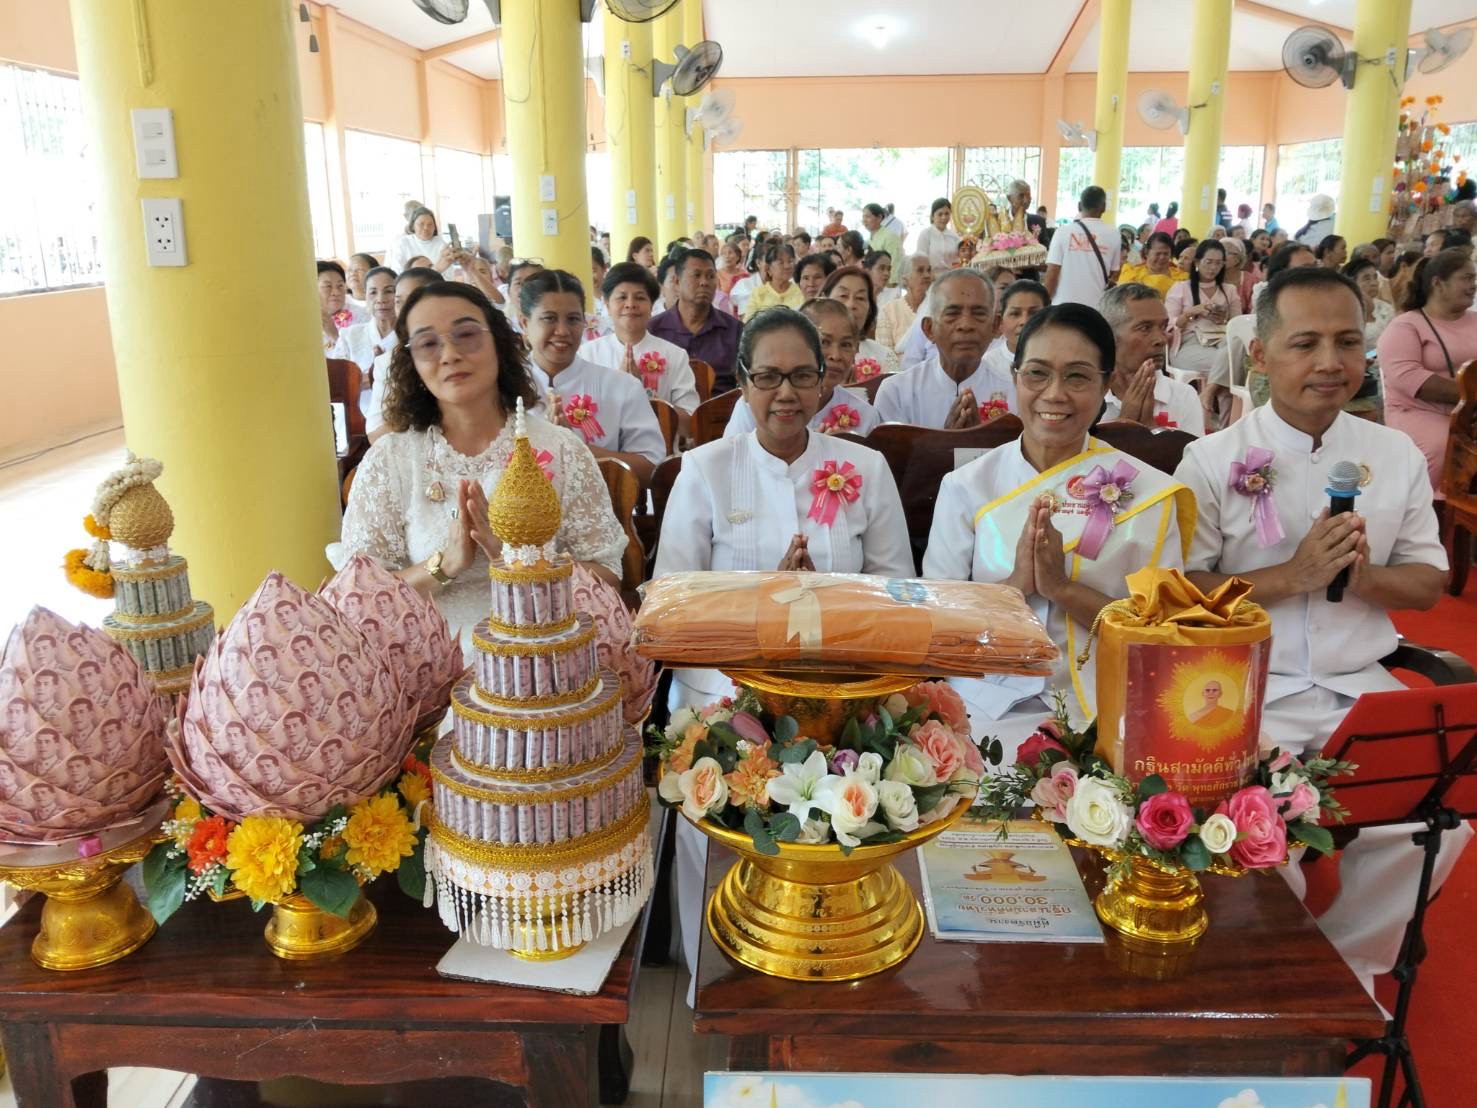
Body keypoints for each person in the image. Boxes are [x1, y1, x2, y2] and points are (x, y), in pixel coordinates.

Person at [1175, 265, 1460, 994]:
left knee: (1439, 825)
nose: (1330, 363)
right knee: (1250, 831)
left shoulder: (1392, 454)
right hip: (1243, 691)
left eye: (1345, 342)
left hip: (1355, 684)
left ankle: (1344, 965)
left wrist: (1363, 579)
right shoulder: (1210, 460)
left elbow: (1426, 580)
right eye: (1304, 343)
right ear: (1262, 355)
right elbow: (1183, 592)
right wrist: (1289, 579)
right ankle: (1261, 968)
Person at [656, 305, 912, 995]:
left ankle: (833, 963)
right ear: (741, 382)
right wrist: (767, 603)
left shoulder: (864, 467)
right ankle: (713, 981)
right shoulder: (705, 471)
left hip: (842, 686)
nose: (786, 394)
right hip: (723, 689)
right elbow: (671, 605)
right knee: (707, 805)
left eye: (802, 375)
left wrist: (823, 605)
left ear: (826, 381)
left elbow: (897, 598)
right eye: (767, 376)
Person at [923, 302, 1192, 758]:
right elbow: (936, 628)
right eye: (1037, 374)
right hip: (983, 703)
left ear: (1106, 386)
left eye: (1078, 377)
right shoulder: (967, 486)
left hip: (1109, 703)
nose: (1054, 394)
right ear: (1014, 377)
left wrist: (1063, 589)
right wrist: (1015, 589)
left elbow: (1160, 640)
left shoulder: (1147, 492)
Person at [333, 281, 625, 640]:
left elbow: (607, 575)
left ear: (499, 344)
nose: (450, 354)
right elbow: (363, 599)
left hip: (544, 655)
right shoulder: (391, 460)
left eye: (466, 335)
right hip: (429, 660)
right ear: (413, 363)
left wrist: (514, 560)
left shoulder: (560, 449)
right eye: (428, 344)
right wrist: (445, 565)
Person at [519, 270, 665, 486]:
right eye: (549, 318)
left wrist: (578, 448)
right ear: (524, 323)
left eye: (573, 319)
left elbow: (651, 468)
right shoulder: (501, 386)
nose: (562, 330)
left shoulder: (621, 387)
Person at [1377, 249, 1477, 495]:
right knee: (1442, 449)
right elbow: (1407, 377)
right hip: (1419, 411)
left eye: (1474, 279)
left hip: (1471, 410)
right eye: (1466, 278)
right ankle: (1430, 515)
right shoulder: (1406, 325)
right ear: (1438, 283)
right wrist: (1470, 397)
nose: (1473, 285)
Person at [724, 298, 881, 438]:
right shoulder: (754, 404)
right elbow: (734, 461)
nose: (835, 355)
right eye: (824, 342)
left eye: (846, 345)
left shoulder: (865, 414)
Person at [874, 269, 1004, 428]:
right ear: (929, 329)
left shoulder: (1015, 391)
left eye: (978, 314)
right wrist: (942, 441)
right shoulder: (896, 393)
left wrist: (980, 439)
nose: (966, 325)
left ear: (995, 327)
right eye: (952, 314)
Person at [584, 262, 700, 439]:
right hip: (603, 455)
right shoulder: (587, 354)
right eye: (622, 297)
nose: (630, 304)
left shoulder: (674, 355)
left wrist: (645, 398)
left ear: (652, 306)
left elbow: (690, 426)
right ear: (607, 304)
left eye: (640, 298)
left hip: (663, 456)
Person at [1098, 283, 1206, 434]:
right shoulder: (1089, 399)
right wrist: (1123, 427)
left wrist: (1151, 432)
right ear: (1109, 336)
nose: (1161, 339)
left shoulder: (1183, 397)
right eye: (1145, 328)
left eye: (1163, 327)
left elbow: (1191, 457)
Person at [649, 248, 743, 392]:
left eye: (710, 276)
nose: (704, 282)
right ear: (677, 282)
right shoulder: (653, 330)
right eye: (696, 275)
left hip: (722, 412)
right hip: (669, 412)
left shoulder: (735, 330)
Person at [367, 267, 444, 442]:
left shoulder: (461, 353)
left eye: (414, 300)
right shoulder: (387, 363)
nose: (404, 310)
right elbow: (374, 435)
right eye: (399, 301)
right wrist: (415, 407)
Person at [1166, 239, 1243, 398]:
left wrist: (1224, 318)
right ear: (1197, 262)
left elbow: (1238, 327)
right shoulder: (1181, 288)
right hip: (1187, 344)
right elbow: (1167, 324)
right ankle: (1213, 401)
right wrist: (1190, 313)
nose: (1213, 267)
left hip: (1220, 340)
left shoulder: (1229, 290)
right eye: (1209, 262)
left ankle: (1209, 393)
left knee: (1234, 349)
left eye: (1218, 263)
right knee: (1232, 365)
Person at [977, 279, 1050, 417]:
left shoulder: (1060, 360)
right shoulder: (987, 364)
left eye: (1034, 313)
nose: (1024, 321)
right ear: (1000, 322)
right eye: (1015, 314)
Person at [1044, 186, 1121, 307]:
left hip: (1062, 307)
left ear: (1079, 206)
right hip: (1096, 308)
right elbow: (1115, 272)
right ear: (1104, 207)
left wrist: (1044, 305)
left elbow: (1052, 274)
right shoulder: (1114, 234)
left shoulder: (1062, 232)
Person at [822, 265, 898, 374]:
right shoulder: (807, 350)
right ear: (824, 299)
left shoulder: (883, 356)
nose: (851, 304)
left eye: (860, 298)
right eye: (843, 296)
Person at [332, 265, 398, 373]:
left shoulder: (409, 336)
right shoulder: (349, 336)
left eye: (389, 291)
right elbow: (337, 380)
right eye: (373, 292)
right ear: (365, 296)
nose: (381, 299)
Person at [876, 254, 932, 352]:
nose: (927, 275)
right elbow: (885, 355)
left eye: (929, 270)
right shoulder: (889, 311)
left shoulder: (937, 307)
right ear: (905, 277)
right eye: (920, 270)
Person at [1343, 256, 1395, 350]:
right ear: (1352, 283)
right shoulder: (1343, 311)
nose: (1374, 283)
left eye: (1375, 277)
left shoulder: (1385, 308)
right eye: (1367, 279)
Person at [743, 242, 805, 320]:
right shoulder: (758, 293)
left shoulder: (801, 291)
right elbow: (748, 323)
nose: (787, 266)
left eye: (790, 261)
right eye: (781, 263)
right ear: (768, 269)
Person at [1114, 231, 1180, 297]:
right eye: (1158, 254)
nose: (1162, 257)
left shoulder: (1181, 276)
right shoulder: (1132, 273)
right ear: (1146, 252)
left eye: (1166, 254)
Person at [317, 261, 362, 353]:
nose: (336, 292)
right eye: (328, 286)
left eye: (340, 286)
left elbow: (360, 359)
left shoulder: (361, 316)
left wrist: (334, 335)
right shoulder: (303, 318)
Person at [389, 207, 450, 273]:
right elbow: (397, 271)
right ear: (413, 226)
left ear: (434, 227)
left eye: (430, 224)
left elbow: (448, 275)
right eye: (421, 224)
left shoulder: (441, 245)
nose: (426, 228)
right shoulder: (402, 243)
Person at [916, 198, 962, 270]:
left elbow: (960, 258)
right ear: (933, 216)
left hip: (951, 277)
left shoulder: (954, 236)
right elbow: (920, 260)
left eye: (947, 214)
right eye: (940, 214)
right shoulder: (925, 234)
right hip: (931, 278)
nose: (944, 217)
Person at [861, 203, 903, 279]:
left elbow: (894, 264)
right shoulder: (871, 237)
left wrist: (889, 284)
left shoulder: (890, 237)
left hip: (888, 284)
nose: (864, 220)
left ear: (879, 218)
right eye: (863, 217)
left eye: (868, 217)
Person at [1219, 236, 1256, 314]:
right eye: (1219, 252)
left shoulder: (1251, 280)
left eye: (1226, 253)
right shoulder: (1211, 276)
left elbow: (1253, 311)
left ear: (1238, 258)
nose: (1221, 256)